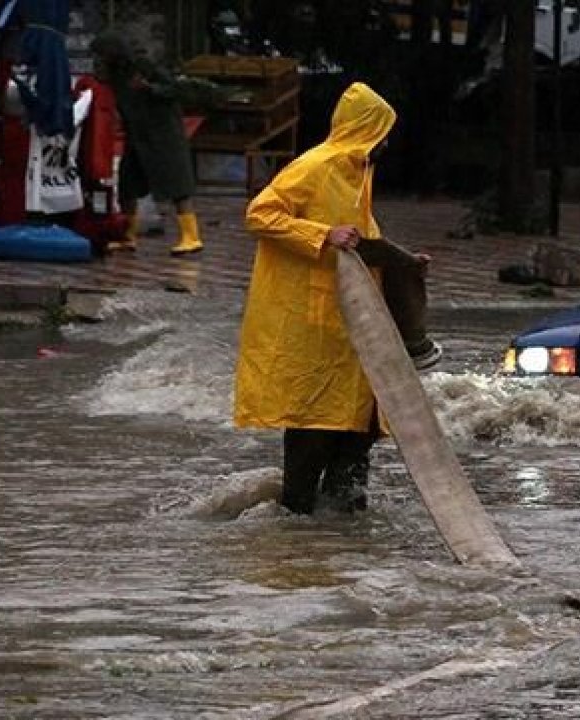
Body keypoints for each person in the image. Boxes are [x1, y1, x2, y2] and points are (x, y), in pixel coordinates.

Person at [233, 82, 442, 515]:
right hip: (313, 327)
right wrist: (321, 236)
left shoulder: (357, 173)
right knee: (313, 425)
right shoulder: (314, 167)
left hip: (353, 330)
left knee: (358, 430)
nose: (387, 141)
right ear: (366, 128)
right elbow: (260, 214)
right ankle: (297, 527)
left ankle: (341, 536)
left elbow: (362, 238)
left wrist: (403, 262)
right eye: (382, 131)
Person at [89, 33, 203, 255]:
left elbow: (174, 89)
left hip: (163, 133)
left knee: (176, 184)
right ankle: (128, 235)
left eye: (101, 56)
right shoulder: (113, 74)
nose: (97, 61)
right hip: (137, 135)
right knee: (128, 184)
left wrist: (149, 88)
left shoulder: (142, 65)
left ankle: (191, 236)